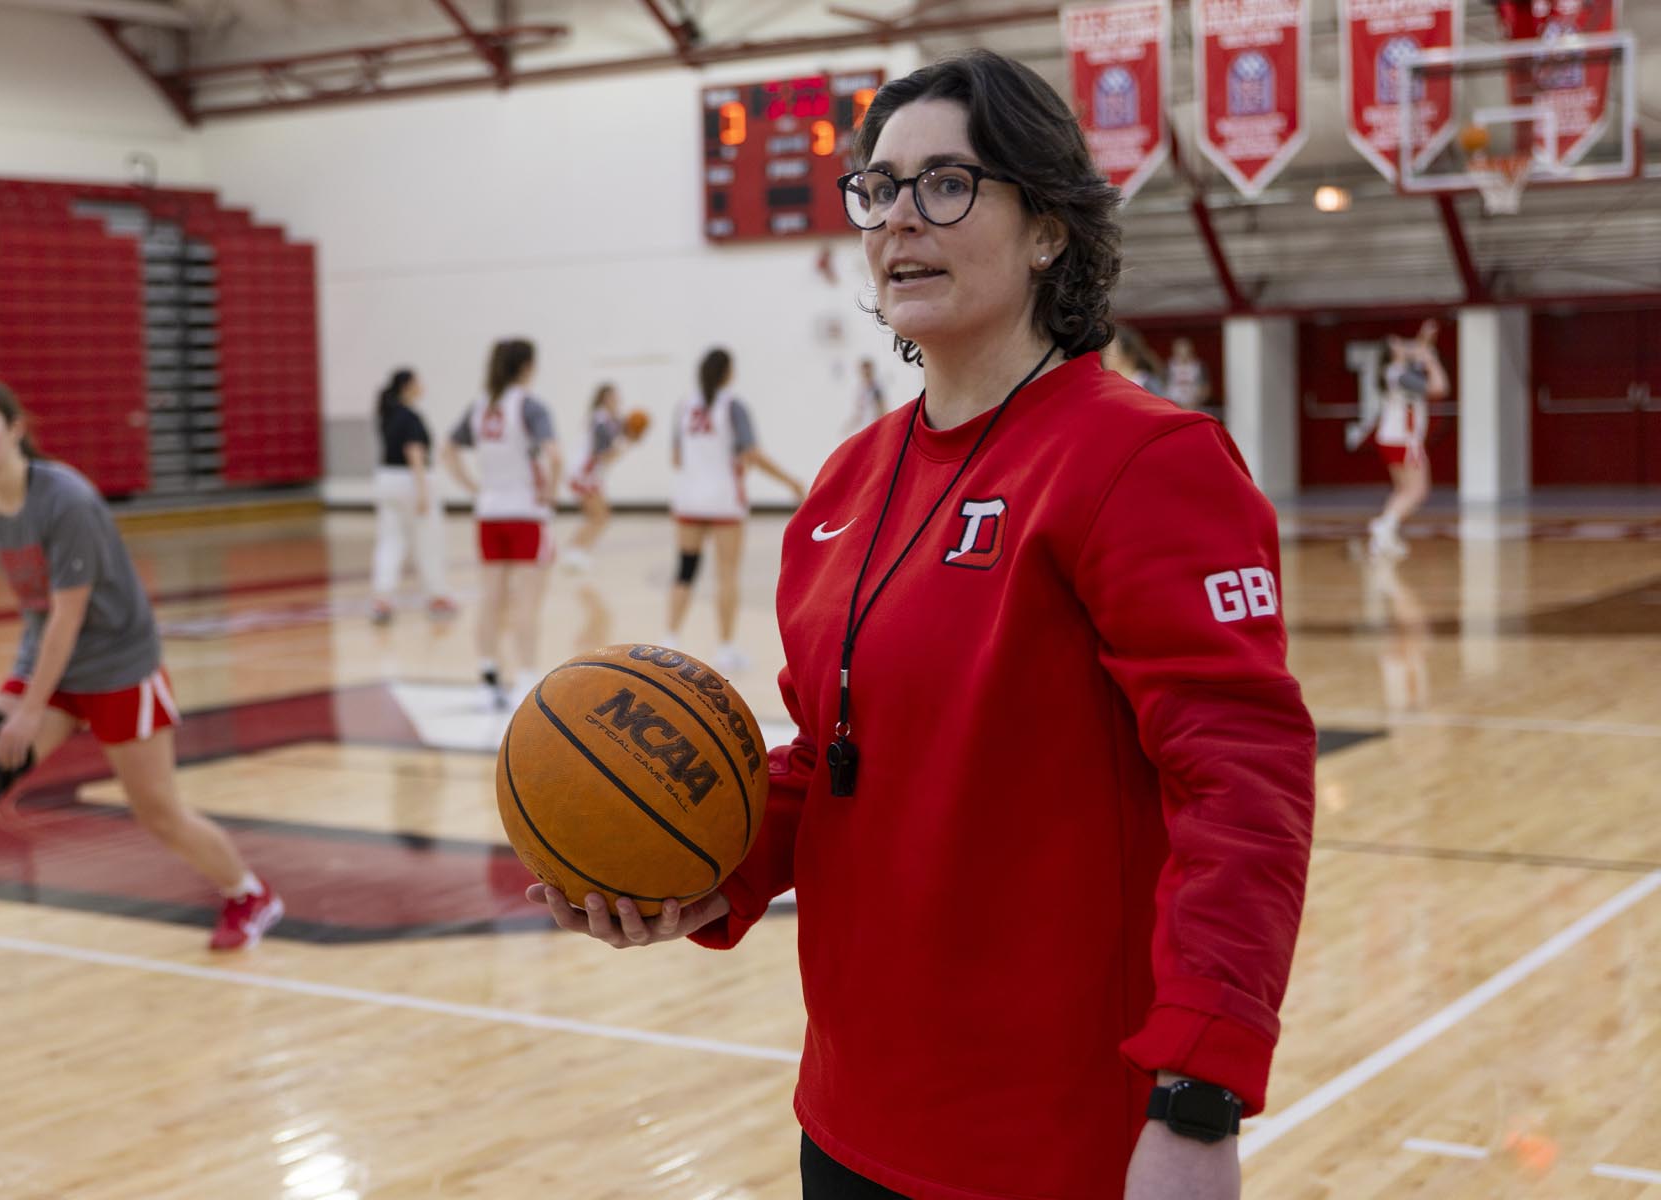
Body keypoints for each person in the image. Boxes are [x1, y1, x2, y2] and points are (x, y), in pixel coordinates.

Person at [528, 50, 1315, 1200]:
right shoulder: (845, 484)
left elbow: (1243, 788)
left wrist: (1198, 1097)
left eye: (944, 183)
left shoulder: (1142, 460)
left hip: (1056, 1139)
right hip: (848, 1118)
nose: (900, 218)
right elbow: (834, 756)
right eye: (877, 189)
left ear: (1047, 227)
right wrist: (706, 873)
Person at [0, 381, 283, 997]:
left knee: (159, 814)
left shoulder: (69, 501)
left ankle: (250, 896)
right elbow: (36, 613)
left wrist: (30, 709)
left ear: (13, 428)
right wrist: (21, 691)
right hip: (51, 668)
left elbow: (69, 614)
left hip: (118, 666)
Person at [664, 347, 807, 676]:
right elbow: (752, 454)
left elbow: (676, 458)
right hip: (724, 499)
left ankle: (669, 640)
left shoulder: (684, 406)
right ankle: (726, 650)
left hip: (688, 499)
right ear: (728, 372)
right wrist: (791, 481)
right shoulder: (733, 405)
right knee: (726, 575)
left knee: (685, 571)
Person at [441, 339, 561, 710]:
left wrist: (473, 487)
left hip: (489, 512)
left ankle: (488, 675)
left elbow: (447, 449)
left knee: (490, 599)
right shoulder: (529, 405)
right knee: (528, 601)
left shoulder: (479, 407)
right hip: (525, 513)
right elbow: (555, 455)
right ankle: (526, 677)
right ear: (526, 366)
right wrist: (550, 493)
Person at [371, 368, 456, 622]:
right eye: (418, 381)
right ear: (408, 386)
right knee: (429, 540)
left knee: (391, 540)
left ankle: (382, 599)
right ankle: (437, 596)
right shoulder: (410, 417)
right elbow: (414, 452)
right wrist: (422, 490)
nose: (423, 386)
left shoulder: (388, 415)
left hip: (386, 480)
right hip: (411, 481)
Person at [1364, 319, 1446, 560]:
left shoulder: (1396, 372)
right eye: (1398, 343)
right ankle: (1384, 525)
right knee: (1418, 491)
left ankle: (1384, 538)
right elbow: (1439, 388)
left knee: (1403, 490)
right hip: (1404, 440)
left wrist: (1425, 337)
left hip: (1390, 438)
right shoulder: (1401, 376)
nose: (1403, 343)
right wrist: (1431, 360)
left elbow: (1417, 351)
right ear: (1392, 352)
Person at [563, 382, 633, 574]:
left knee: (600, 516)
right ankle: (573, 552)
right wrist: (629, 444)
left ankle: (578, 553)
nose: (618, 401)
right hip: (583, 474)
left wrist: (630, 435)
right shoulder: (600, 422)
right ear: (604, 399)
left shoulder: (608, 421)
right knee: (598, 516)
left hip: (589, 474)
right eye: (614, 397)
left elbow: (623, 428)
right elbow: (605, 456)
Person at [842, 356, 888, 436]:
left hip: (874, 429)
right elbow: (859, 412)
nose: (866, 374)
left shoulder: (876, 389)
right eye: (864, 372)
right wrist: (850, 426)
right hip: (864, 429)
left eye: (868, 372)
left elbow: (882, 409)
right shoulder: (861, 389)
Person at [1164, 336, 1210, 411]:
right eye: (1180, 350)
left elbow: (1206, 388)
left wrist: (1197, 400)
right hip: (1174, 405)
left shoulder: (1199, 366)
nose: (1183, 353)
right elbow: (1163, 386)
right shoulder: (1168, 367)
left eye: (1185, 350)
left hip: (1194, 404)